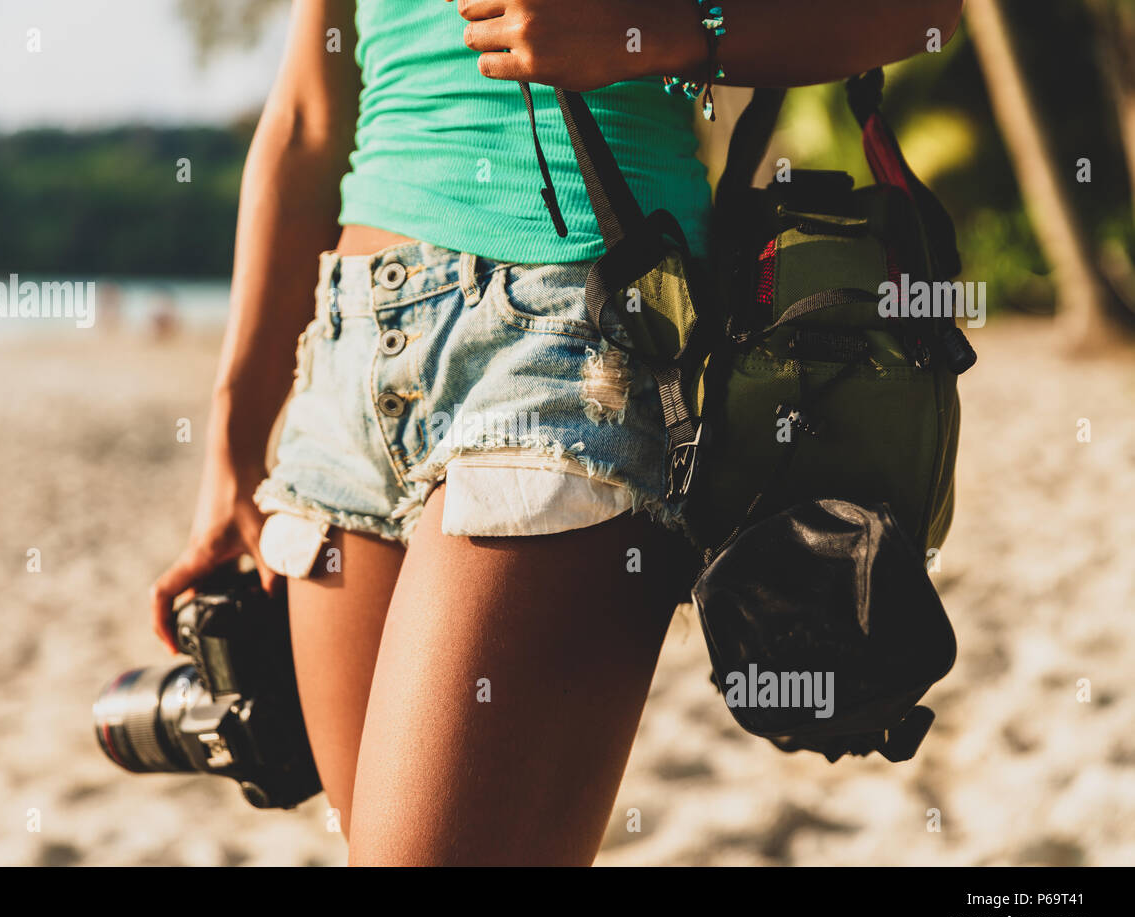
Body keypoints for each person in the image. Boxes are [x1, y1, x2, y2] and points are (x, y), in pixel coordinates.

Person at [151, 0, 964, 865]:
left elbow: (922, 14)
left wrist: (652, 33)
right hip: (348, 354)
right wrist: (231, 446)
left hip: (574, 333)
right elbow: (307, 120)